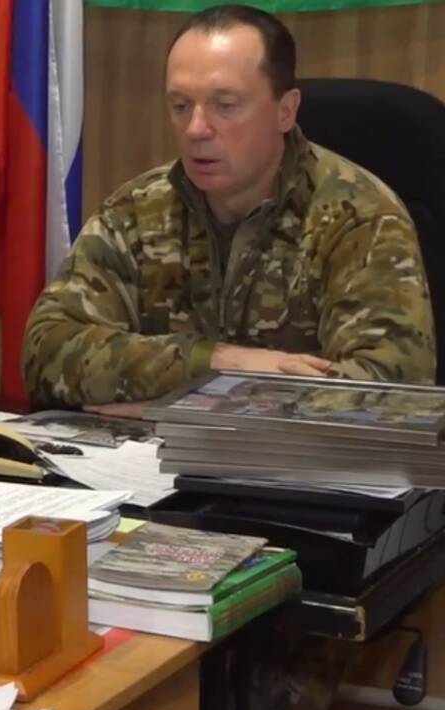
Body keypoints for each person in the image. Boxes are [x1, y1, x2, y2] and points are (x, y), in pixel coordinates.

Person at [21, 4, 435, 414]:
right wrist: (216, 362)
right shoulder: (137, 211)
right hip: (152, 456)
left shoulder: (358, 217)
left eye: (225, 105)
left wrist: (188, 411)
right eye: (181, 106)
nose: (196, 129)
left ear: (285, 111)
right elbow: (46, 351)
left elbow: (393, 393)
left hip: (296, 460)